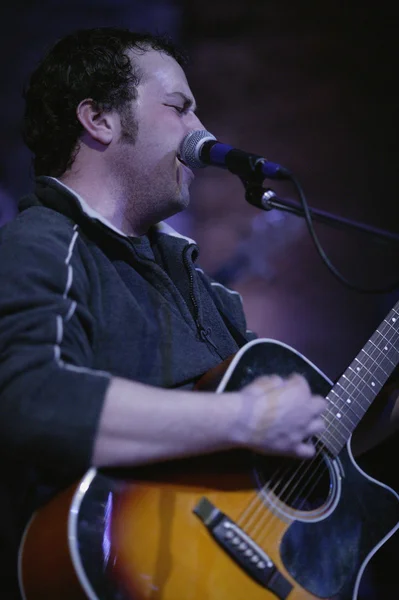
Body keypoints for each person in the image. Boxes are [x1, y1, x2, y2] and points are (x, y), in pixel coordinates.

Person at [0, 27, 396, 599]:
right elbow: (28, 397)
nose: (200, 131)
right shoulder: (41, 243)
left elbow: (295, 453)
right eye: (179, 108)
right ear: (99, 120)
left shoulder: (205, 292)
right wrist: (243, 419)